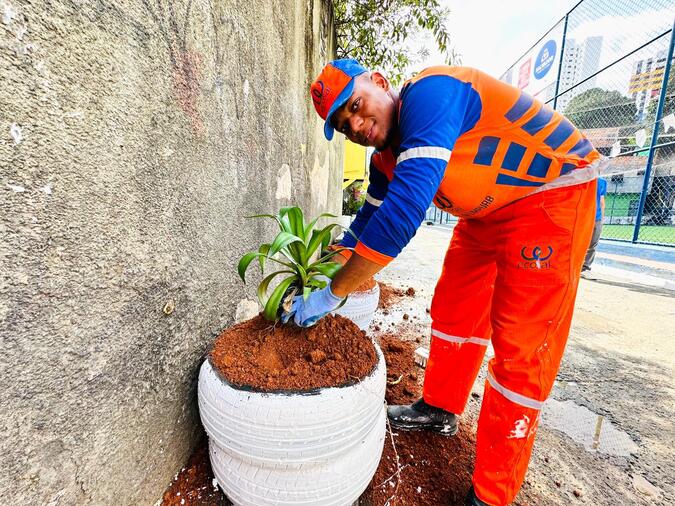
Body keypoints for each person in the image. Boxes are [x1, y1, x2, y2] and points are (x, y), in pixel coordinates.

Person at [282, 59, 606, 505]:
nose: (355, 124)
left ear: (380, 81)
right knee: (454, 308)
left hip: (552, 194)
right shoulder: (386, 159)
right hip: (487, 212)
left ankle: (492, 493)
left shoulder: (432, 95)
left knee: (521, 349)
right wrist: (313, 276)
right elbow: (365, 224)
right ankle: (439, 410)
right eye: (342, 124)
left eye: (355, 106)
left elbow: (401, 216)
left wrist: (333, 293)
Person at [581, 178, 607, 277]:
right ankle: (574, 266)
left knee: (593, 243)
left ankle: (585, 268)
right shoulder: (582, 178)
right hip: (583, 216)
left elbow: (601, 201)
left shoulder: (602, 182)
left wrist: (602, 219)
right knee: (580, 242)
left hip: (596, 218)